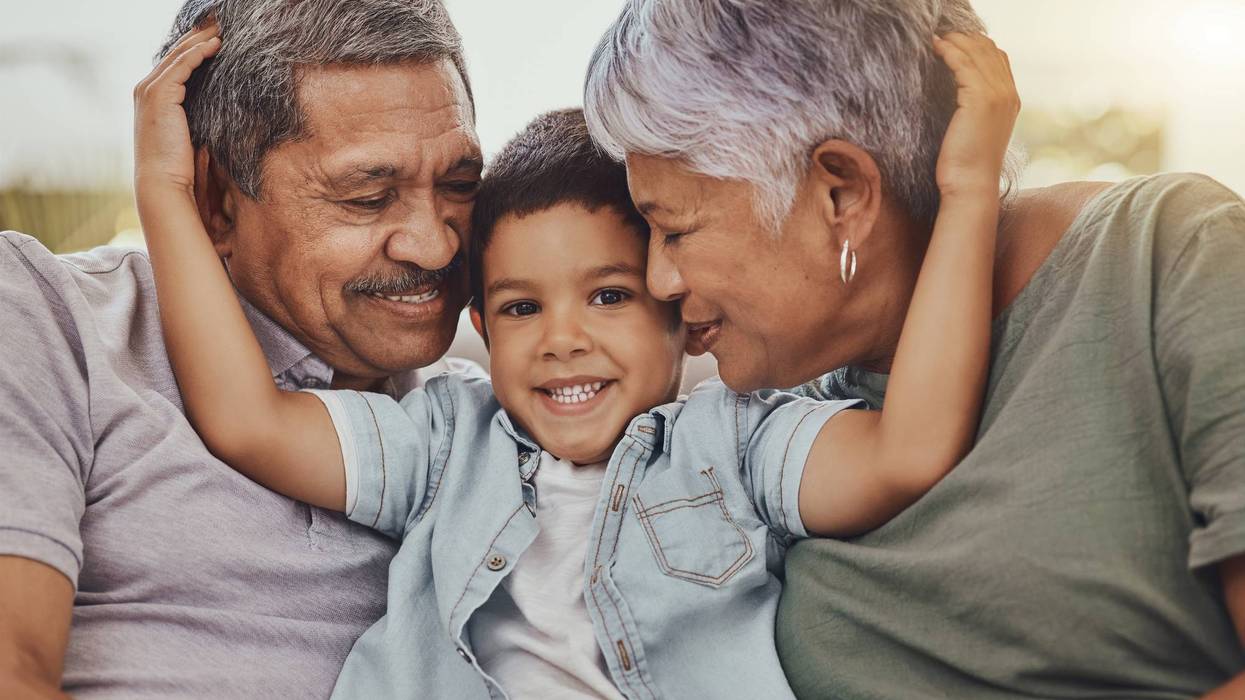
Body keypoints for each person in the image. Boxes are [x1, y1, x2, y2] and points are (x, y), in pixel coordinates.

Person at [135, 18, 1017, 698]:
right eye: (521, 308)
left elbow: (906, 452)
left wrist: (968, 193)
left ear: (677, 309)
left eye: (608, 295)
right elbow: (248, 423)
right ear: (482, 321)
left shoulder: (739, 444)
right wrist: (169, 196)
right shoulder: (446, 441)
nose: (562, 339)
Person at [583, 0, 1245, 697]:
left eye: (676, 231)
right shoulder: (770, 418)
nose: (657, 279)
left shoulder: (1169, 258)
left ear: (841, 194)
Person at [0, 1, 482, 697]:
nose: (436, 245)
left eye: (460, 186)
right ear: (218, 204)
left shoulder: (491, 425)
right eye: (369, 197)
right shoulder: (48, 317)